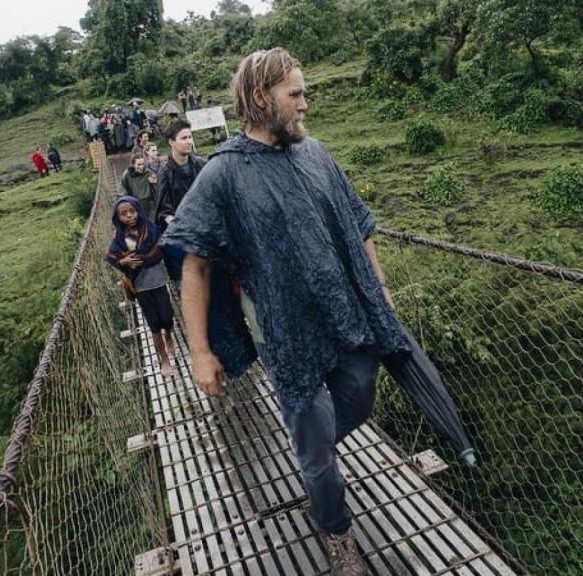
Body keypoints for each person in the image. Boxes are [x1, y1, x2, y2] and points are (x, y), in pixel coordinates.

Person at [162, 48, 410, 576]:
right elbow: (194, 265)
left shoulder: (315, 153)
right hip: (284, 334)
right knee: (319, 450)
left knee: (360, 398)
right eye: (295, 94)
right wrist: (199, 353)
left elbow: (356, 226)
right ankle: (336, 530)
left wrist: (381, 289)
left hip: (346, 317)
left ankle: (312, 460)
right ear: (261, 98)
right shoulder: (223, 175)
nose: (305, 104)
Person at [106, 196, 177, 377]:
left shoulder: (151, 229)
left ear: (138, 210)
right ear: (118, 217)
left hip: (159, 280)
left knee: (167, 316)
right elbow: (111, 256)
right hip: (140, 285)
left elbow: (161, 246)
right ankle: (163, 359)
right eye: (124, 214)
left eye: (132, 211)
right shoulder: (121, 237)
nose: (129, 216)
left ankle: (168, 334)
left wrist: (145, 258)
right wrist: (123, 261)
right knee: (153, 324)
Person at [155, 119, 206, 287]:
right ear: (171, 142)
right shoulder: (165, 174)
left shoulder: (200, 165)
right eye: (184, 138)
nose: (189, 141)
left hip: (205, 234)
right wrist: (175, 221)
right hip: (181, 239)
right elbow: (163, 210)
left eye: (190, 137)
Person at [121, 153, 159, 219]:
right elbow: (124, 190)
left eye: (142, 164)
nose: (141, 167)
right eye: (138, 164)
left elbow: (158, 187)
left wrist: (154, 183)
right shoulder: (127, 175)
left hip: (149, 204)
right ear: (133, 164)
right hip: (135, 204)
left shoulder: (148, 173)